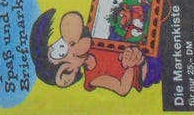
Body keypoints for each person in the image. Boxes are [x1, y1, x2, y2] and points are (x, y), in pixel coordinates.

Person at [29, 9, 161, 96]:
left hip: (146, 41)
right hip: (149, 69)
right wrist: (130, 66)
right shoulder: (93, 77)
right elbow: (122, 88)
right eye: (62, 51)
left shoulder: (93, 42)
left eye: (61, 45)